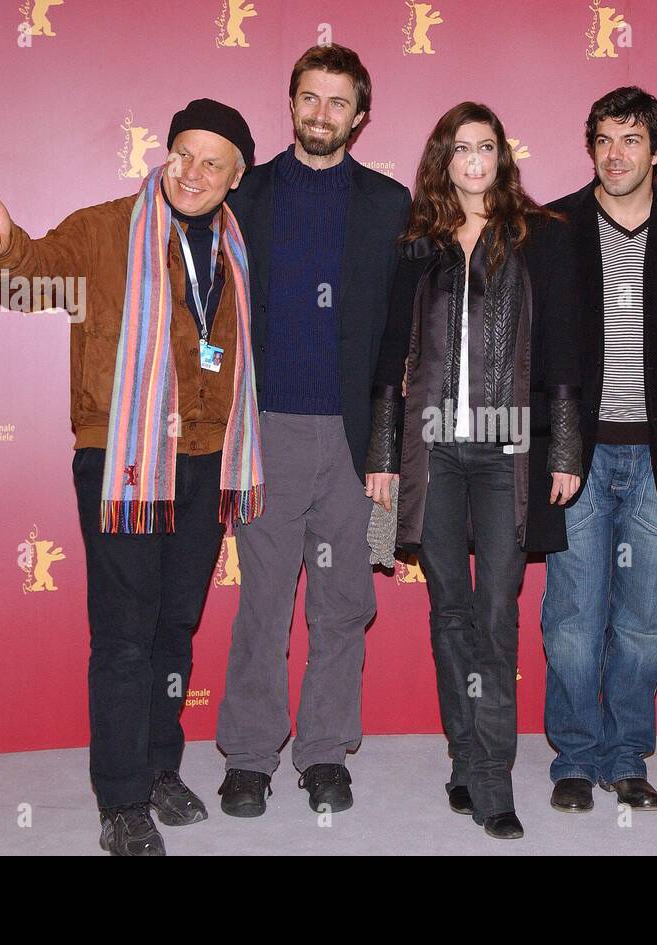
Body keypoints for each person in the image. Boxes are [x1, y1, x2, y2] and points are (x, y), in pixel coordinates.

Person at [0, 99, 263, 855]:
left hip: (202, 458)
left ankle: (162, 765)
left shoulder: (235, 246)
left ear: (237, 176)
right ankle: (123, 798)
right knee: (126, 635)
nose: (191, 172)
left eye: (211, 161)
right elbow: (27, 282)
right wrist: (0, 247)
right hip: (122, 461)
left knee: (175, 625)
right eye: (182, 154)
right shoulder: (106, 229)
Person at [364, 102, 582, 840]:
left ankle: (493, 777)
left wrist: (563, 449)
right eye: (461, 148)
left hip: (507, 450)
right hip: (434, 450)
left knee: (495, 612)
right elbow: (391, 357)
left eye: (486, 146)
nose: (475, 160)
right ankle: (465, 755)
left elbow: (560, 351)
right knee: (449, 612)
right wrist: (384, 459)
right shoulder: (416, 246)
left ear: (502, 156)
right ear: (442, 161)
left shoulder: (537, 239)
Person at [215, 44, 412, 818]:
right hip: (264, 431)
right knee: (262, 599)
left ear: (359, 116)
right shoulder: (247, 196)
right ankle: (249, 755)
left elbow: (403, 337)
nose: (322, 114)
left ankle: (325, 751)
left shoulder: (390, 204)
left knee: (347, 598)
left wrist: (389, 446)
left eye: (338, 102)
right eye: (310, 98)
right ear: (290, 103)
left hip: (360, 441)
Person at [540, 86, 657, 815]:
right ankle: (575, 757)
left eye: (632, 140)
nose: (616, 155)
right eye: (605, 140)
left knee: (644, 620)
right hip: (572, 457)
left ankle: (627, 755)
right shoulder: (552, 226)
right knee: (573, 618)